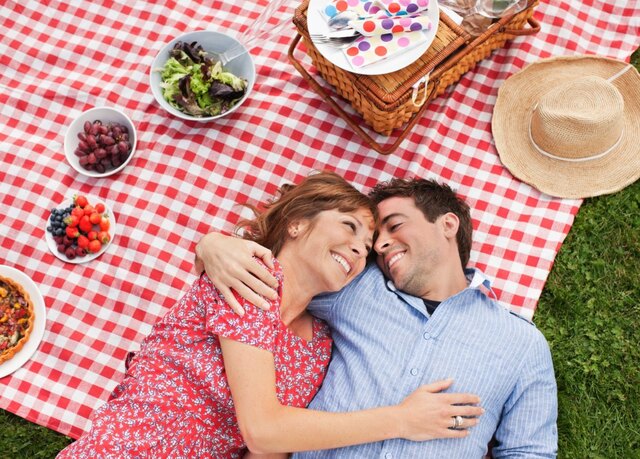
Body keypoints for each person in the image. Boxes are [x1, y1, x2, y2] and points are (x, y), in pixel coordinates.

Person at [57, 173, 484, 459]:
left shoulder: (319, 345)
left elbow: (270, 447)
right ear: (298, 223)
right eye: (349, 227)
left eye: (367, 244)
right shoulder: (251, 276)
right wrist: (402, 419)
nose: (359, 248)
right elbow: (262, 428)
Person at [196, 177, 558, 458]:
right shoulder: (354, 288)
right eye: (376, 240)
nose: (380, 245)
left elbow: (529, 452)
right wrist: (213, 245)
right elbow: (284, 265)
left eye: (395, 225)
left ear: (448, 224)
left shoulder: (521, 343)